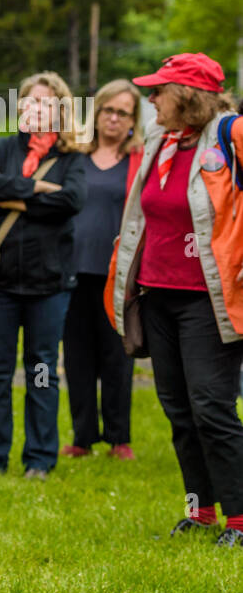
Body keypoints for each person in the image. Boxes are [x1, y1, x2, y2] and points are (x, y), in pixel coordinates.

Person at [110, 53, 243, 547]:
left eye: (158, 90)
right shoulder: (159, 143)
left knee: (212, 407)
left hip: (208, 299)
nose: (150, 99)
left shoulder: (231, 134)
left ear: (187, 95)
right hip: (156, 294)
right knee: (178, 408)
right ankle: (200, 510)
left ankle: (240, 520)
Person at [0, 71, 87, 478]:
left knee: (42, 370)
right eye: (28, 101)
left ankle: (39, 458)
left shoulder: (73, 158)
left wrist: (14, 192)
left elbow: (72, 200)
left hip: (49, 284)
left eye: (43, 103)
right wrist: (39, 191)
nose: (33, 109)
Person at [62, 79, 143, 461]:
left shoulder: (139, 160)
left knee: (116, 357)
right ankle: (82, 437)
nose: (113, 118)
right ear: (97, 114)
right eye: (108, 109)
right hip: (72, 270)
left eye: (122, 112)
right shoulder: (74, 156)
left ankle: (118, 437)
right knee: (77, 357)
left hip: (118, 274)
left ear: (132, 120)